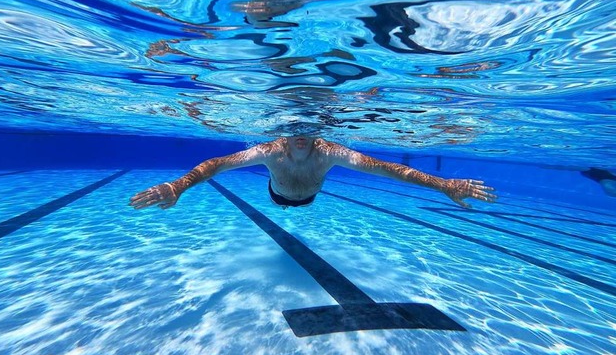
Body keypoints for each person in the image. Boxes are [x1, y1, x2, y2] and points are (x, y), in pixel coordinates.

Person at [129, 136, 497, 210]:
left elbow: (390, 170)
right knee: (281, 200)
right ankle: (283, 203)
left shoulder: (330, 153)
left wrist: (443, 184)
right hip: (278, 194)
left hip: (308, 198)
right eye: (293, 130)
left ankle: (290, 203)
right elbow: (218, 164)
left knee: (294, 201)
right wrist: (178, 185)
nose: (300, 134)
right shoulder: (269, 151)